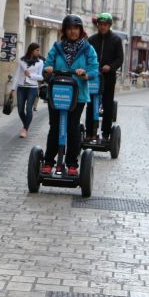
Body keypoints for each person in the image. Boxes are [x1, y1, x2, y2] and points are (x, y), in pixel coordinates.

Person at [41, 15, 99, 176]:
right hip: (57, 94)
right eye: (69, 29)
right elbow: (47, 64)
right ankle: (48, 162)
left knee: (73, 128)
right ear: (65, 31)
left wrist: (86, 73)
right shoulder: (57, 47)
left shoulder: (88, 49)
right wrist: (48, 69)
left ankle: (72, 164)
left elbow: (94, 68)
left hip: (77, 95)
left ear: (80, 31)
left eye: (76, 28)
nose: (73, 31)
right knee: (55, 128)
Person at [87, 12, 123, 139]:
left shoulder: (116, 40)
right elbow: (86, 57)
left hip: (108, 77)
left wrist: (111, 67)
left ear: (109, 25)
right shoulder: (91, 40)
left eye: (105, 25)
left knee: (107, 105)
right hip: (93, 77)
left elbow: (120, 58)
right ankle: (90, 133)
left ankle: (106, 133)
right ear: (98, 25)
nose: (102, 27)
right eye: (100, 24)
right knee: (91, 105)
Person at [11, 43, 44, 138]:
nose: (39, 52)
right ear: (31, 50)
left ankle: (25, 129)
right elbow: (17, 75)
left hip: (32, 88)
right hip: (21, 87)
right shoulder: (21, 60)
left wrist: (30, 75)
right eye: (37, 50)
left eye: (39, 50)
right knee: (20, 109)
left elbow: (41, 77)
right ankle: (27, 123)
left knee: (29, 108)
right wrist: (13, 89)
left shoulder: (40, 62)